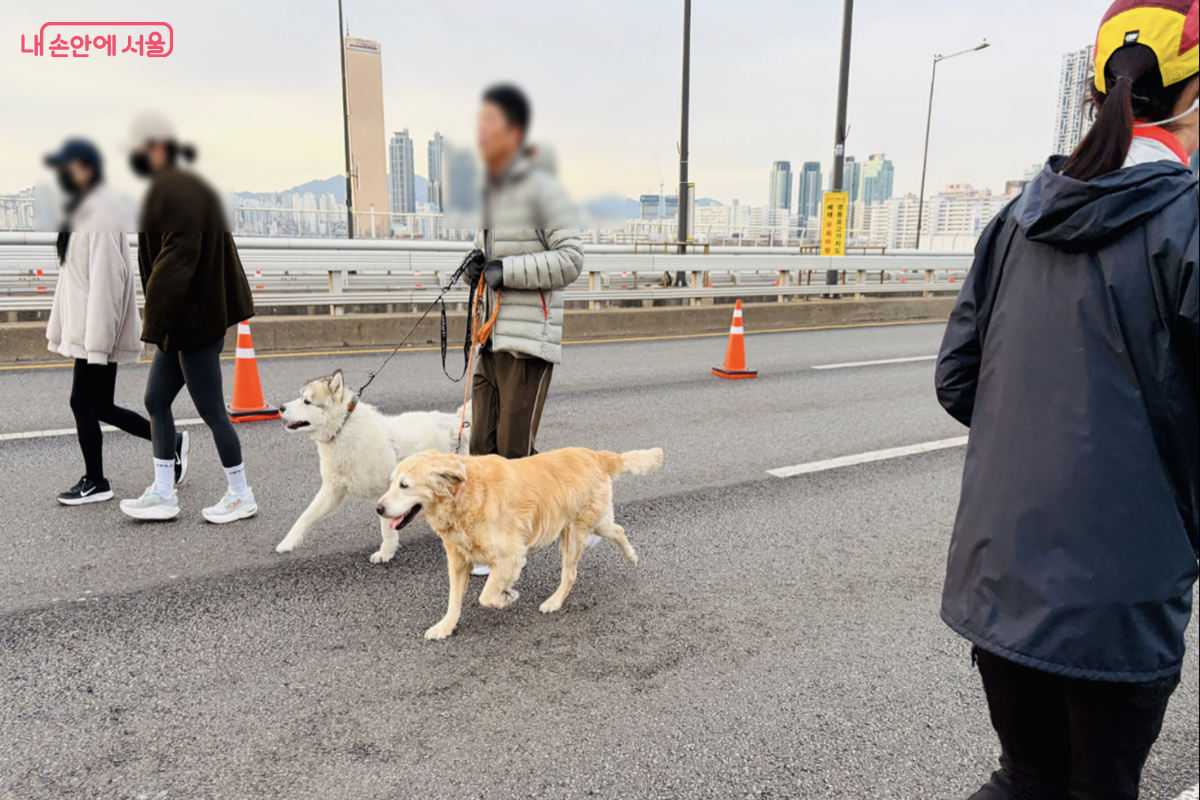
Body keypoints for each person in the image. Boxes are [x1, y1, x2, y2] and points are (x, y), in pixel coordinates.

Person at [935, 2, 1198, 797]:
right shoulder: (1185, 220)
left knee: (1026, 778)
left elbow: (957, 379)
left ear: (1096, 90)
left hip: (1001, 578)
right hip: (1121, 594)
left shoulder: (1018, 218)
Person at [463, 85, 585, 575]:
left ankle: (522, 542)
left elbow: (571, 259)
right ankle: (499, 537)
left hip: (527, 342)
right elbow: (486, 259)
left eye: (490, 124)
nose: (481, 133)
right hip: (489, 338)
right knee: (480, 451)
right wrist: (474, 268)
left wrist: (505, 270)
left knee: (515, 455)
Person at [118, 113, 258, 524]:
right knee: (155, 400)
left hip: (195, 321)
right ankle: (163, 492)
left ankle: (241, 493)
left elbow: (177, 260)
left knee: (212, 409)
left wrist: (152, 324)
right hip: (183, 321)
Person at [43, 139, 187, 504]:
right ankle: (173, 444)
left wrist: (98, 341)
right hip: (88, 330)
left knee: (81, 402)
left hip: (97, 332)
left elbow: (109, 280)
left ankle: (96, 481)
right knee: (101, 405)